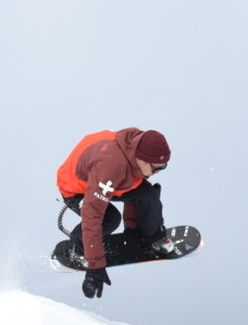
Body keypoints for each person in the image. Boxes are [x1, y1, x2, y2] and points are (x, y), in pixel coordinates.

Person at [56, 128, 173, 298]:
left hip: (106, 174)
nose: (157, 172)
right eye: (155, 169)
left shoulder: (138, 145)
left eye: (163, 167)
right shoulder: (110, 168)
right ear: (140, 158)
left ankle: (147, 237)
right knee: (109, 219)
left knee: (148, 197)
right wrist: (95, 267)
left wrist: (137, 229)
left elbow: (134, 186)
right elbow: (92, 215)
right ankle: (78, 245)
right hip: (76, 188)